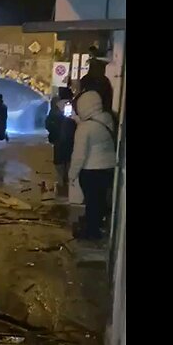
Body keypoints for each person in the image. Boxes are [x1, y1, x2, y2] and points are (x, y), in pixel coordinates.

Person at [68, 90, 117, 240]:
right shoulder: (107, 119)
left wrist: (72, 174)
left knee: (91, 201)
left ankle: (91, 231)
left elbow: (79, 155)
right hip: (108, 168)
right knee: (100, 200)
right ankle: (95, 223)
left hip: (91, 170)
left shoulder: (84, 128)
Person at [52, 95, 76, 199]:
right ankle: (64, 187)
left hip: (63, 145)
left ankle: (63, 188)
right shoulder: (58, 117)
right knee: (63, 164)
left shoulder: (60, 118)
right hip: (65, 145)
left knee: (61, 164)